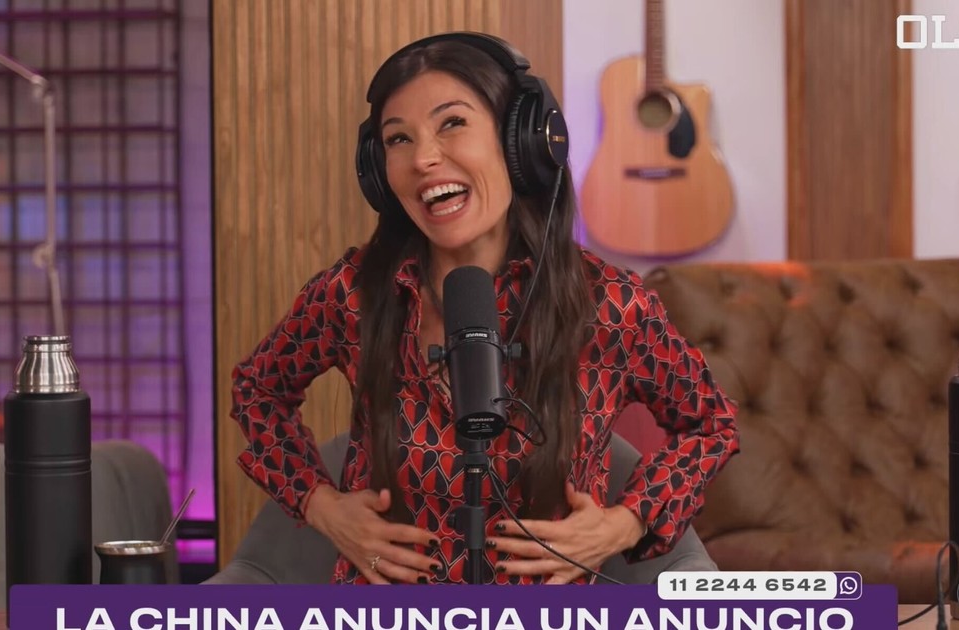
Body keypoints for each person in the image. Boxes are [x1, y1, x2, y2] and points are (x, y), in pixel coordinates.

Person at [230, 31, 739, 585]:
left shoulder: (610, 304)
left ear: (521, 143)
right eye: (398, 139)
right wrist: (323, 508)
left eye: (452, 123)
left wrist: (625, 523)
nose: (423, 158)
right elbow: (258, 391)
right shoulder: (355, 292)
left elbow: (710, 424)